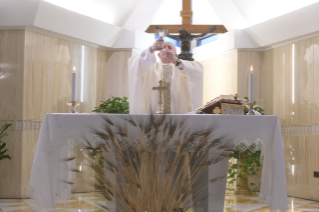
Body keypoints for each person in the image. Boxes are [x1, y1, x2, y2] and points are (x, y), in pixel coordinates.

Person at [128, 38, 203, 114]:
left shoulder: (183, 67)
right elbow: (135, 64)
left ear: (176, 55)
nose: (166, 49)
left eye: (170, 47)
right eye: (163, 48)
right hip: (153, 115)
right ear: (159, 55)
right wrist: (151, 49)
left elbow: (198, 71)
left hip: (179, 114)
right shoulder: (149, 68)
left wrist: (177, 61)